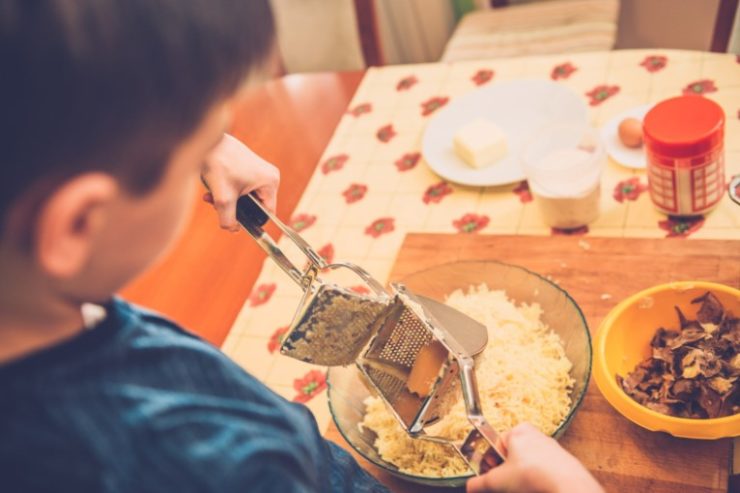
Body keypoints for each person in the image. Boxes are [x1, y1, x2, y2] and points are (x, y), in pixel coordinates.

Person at [0, 1, 603, 492]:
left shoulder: (49, 301)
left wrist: (198, 140)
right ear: (78, 224)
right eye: (199, 145)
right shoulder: (188, 462)